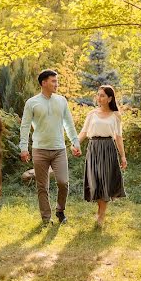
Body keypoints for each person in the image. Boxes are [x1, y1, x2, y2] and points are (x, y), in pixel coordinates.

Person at [20, 70, 82, 224]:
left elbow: (68, 123)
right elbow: (25, 126)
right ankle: (46, 218)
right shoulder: (31, 102)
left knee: (63, 182)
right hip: (39, 150)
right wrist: (23, 147)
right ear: (43, 83)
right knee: (42, 186)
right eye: (53, 81)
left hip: (59, 149)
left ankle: (60, 210)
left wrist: (75, 141)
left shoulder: (61, 101)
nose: (56, 83)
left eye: (57, 80)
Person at [78, 85, 127, 228]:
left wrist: (123, 156)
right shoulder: (91, 114)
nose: (99, 98)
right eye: (98, 95)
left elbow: (118, 137)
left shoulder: (115, 115)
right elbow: (83, 132)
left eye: (102, 95)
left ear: (110, 98)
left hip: (108, 148)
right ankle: (100, 211)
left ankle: (101, 214)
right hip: (93, 148)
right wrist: (75, 144)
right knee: (95, 180)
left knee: (105, 180)